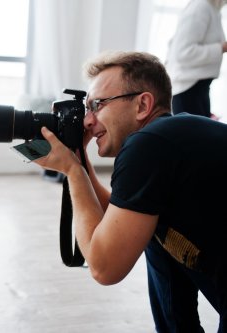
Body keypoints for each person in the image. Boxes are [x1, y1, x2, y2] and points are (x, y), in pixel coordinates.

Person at [35, 51, 227, 332]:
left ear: (142, 105)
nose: (87, 121)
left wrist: (73, 172)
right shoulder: (171, 139)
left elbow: (105, 267)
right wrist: (78, 159)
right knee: (153, 233)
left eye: (97, 105)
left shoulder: (148, 144)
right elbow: (115, 217)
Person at [165, 0, 227, 119]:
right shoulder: (201, 7)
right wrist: (221, 48)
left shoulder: (213, 9)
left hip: (199, 90)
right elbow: (183, 53)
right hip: (187, 90)